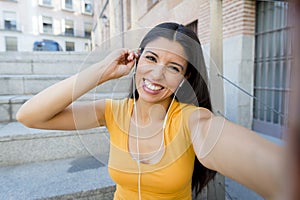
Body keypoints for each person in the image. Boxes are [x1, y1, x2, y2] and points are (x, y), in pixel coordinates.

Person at [16, 22, 283, 200]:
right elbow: (29, 116)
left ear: (185, 77)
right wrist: (102, 71)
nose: (156, 74)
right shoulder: (112, 111)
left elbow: (270, 169)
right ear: (137, 58)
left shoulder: (191, 119)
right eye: (151, 58)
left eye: (174, 67)